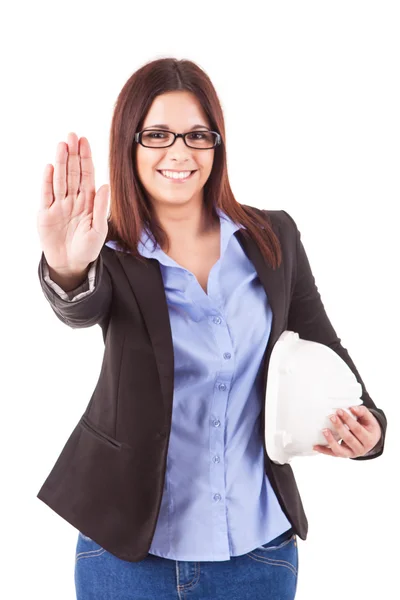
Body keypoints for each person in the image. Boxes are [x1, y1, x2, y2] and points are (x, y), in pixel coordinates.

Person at [36, 57, 386, 600]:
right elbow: (80, 307)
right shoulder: (108, 251)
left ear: (217, 145)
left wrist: (370, 428)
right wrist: (66, 266)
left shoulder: (273, 237)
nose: (179, 152)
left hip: (257, 552)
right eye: (157, 134)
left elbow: (323, 347)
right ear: (129, 144)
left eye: (197, 135)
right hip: (127, 554)